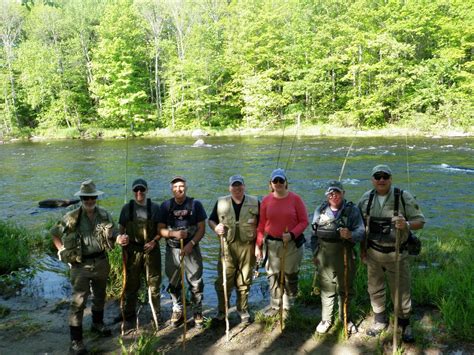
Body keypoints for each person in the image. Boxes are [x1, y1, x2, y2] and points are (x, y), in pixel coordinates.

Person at [358, 165, 425, 343]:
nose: (381, 180)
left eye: (385, 176)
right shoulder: (366, 198)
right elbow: (360, 227)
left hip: (397, 255)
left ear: (390, 178)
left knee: (401, 291)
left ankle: (404, 324)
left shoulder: (403, 196)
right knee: (374, 289)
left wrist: (406, 225)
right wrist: (362, 251)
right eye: (377, 176)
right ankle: (380, 321)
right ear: (372, 179)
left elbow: (420, 221)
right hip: (373, 254)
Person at [51, 179, 117, 355]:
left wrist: (119, 239)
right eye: (86, 198)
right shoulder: (71, 217)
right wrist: (62, 251)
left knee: (100, 296)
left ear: (96, 198)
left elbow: (115, 235)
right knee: (78, 302)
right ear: (81, 198)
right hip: (79, 265)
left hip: (102, 262)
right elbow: (54, 233)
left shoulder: (105, 215)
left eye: (92, 198)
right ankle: (76, 341)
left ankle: (97, 324)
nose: (89, 201)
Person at [311, 180, 365, 335]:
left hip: (345, 256)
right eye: (331, 193)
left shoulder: (352, 211)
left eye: (337, 192)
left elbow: (361, 233)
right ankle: (326, 319)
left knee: (346, 289)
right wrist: (315, 254)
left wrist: (350, 235)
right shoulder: (320, 210)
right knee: (326, 290)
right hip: (324, 256)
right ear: (327, 195)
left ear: (343, 194)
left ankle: (346, 318)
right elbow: (313, 234)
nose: (334, 195)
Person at [255, 168, 308, 314]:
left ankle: (289, 305)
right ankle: (275, 305)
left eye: (281, 180)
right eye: (275, 181)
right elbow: (261, 225)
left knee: (290, 274)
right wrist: (258, 246)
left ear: (286, 183)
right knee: (273, 275)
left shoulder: (296, 199)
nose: (278, 183)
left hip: (292, 245)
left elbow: (304, 222)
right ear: (271, 184)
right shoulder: (266, 200)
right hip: (271, 245)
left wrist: (292, 234)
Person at [208, 175, 259, 324]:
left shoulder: (255, 202)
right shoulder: (221, 202)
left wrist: (259, 246)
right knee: (224, 280)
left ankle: (242, 309)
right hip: (226, 247)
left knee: (244, 280)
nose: (237, 188)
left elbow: (262, 225)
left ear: (244, 186)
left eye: (239, 185)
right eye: (234, 186)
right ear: (229, 188)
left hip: (247, 247)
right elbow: (211, 220)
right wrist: (216, 227)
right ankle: (222, 311)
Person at [158, 176, 207, 329]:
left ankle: (197, 311)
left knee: (196, 282)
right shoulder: (166, 206)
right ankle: (177, 308)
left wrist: (191, 243)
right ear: (171, 189)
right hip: (173, 250)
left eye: (181, 186)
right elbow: (160, 230)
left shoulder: (196, 205)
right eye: (175, 186)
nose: (179, 189)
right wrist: (174, 235)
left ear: (186, 187)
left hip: (192, 250)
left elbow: (201, 228)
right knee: (173, 282)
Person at [116, 178, 161, 333]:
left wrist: (154, 241)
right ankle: (128, 316)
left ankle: (156, 314)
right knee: (131, 285)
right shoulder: (126, 209)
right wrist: (121, 240)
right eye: (136, 190)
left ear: (147, 190)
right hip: (132, 251)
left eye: (142, 189)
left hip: (151, 250)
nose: (139, 192)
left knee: (154, 284)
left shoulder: (155, 208)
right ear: (133, 191)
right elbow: (120, 230)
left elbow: (161, 230)